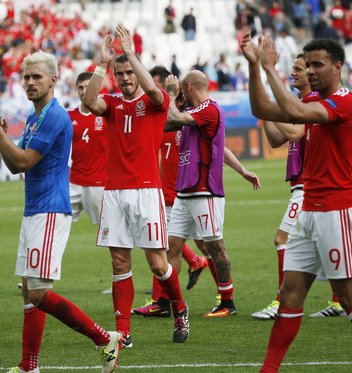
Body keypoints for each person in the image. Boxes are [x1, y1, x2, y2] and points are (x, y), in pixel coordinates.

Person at [222, 35, 352, 373]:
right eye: (310, 65)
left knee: (350, 296)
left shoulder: (347, 102)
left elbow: (294, 115)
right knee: (290, 295)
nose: (312, 72)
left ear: (338, 66)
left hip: (338, 209)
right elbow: (265, 111)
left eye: (318, 65)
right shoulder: (314, 100)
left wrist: (271, 66)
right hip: (311, 209)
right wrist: (255, 65)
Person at [0, 51, 121, 373]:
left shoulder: (55, 116)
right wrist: (1, 134)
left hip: (50, 210)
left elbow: (25, 161)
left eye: (36, 77)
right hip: (34, 210)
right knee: (29, 289)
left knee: (39, 293)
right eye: (26, 76)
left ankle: (104, 338)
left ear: (53, 80)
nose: (29, 82)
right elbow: (16, 165)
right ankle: (29, 367)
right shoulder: (34, 117)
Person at [83, 25, 189, 345]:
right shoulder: (113, 104)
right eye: (121, 73)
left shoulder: (157, 102)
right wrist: (103, 65)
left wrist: (129, 53)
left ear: (137, 70)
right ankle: (123, 331)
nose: (126, 78)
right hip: (114, 191)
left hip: (146, 190)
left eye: (130, 71)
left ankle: (180, 309)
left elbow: (155, 92)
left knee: (158, 264)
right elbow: (89, 103)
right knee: (119, 262)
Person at [247, 48, 343, 320]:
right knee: (323, 244)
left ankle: (281, 303)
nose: (294, 73)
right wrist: (265, 112)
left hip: (308, 185)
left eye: (298, 69)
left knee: (281, 239)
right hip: (303, 186)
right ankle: (339, 301)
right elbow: (278, 140)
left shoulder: (310, 101)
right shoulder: (300, 102)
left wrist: (269, 105)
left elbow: (293, 132)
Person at [162, 71, 260, 319]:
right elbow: (220, 146)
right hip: (185, 191)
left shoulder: (209, 109)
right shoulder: (197, 113)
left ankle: (227, 302)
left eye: (183, 91)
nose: (181, 95)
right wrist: (243, 170)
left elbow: (172, 117)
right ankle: (176, 303)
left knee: (213, 246)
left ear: (188, 86)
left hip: (205, 191)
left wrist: (171, 94)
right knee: (171, 247)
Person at [132, 66, 209, 319]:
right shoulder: (158, 118)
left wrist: (241, 169)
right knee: (162, 246)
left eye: (156, 86)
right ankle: (163, 299)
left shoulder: (188, 117)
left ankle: (225, 297)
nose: (151, 91)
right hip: (163, 191)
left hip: (187, 192)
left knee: (207, 244)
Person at [68, 72, 107, 226]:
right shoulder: (69, 116)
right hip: (73, 182)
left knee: (108, 232)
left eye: (88, 86)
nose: (84, 91)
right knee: (55, 220)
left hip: (99, 183)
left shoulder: (106, 114)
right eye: (80, 88)